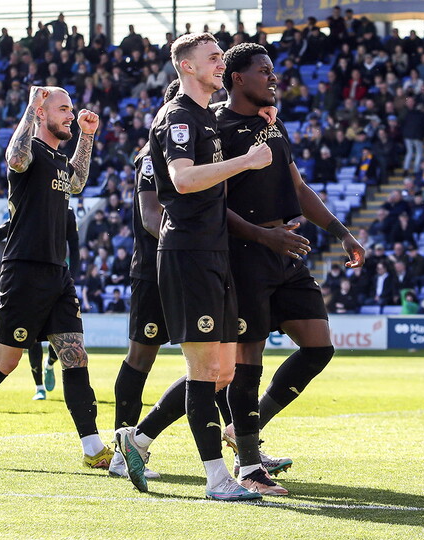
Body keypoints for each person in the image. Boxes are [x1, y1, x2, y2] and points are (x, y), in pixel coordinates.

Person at [112, 33, 272, 501]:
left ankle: (136, 439)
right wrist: (246, 162)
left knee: (221, 372)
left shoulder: (204, 116)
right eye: (213, 58)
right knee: (204, 371)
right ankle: (218, 480)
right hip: (188, 254)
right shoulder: (178, 116)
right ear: (186, 67)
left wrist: (262, 124)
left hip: (213, 252)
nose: (221, 64)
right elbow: (182, 179)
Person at [216, 42, 366, 494]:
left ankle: (243, 428)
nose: (273, 77)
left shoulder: (274, 126)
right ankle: (248, 468)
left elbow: (297, 185)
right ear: (237, 77)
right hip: (246, 254)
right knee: (248, 361)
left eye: (273, 70)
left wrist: (341, 231)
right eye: (264, 70)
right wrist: (264, 236)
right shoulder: (216, 128)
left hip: (287, 250)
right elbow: (210, 204)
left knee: (319, 348)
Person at [0, 86, 111, 470]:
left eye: (71, 108)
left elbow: (78, 182)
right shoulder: (29, 154)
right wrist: (31, 108)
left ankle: (93, 446)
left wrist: (87, 134)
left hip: (56, 273)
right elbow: (14, 157)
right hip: (24, 272)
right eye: (63, 109)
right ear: (42, 111)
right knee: (5, 362)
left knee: (75, 356)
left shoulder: (60, 159)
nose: (70, 113)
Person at [107, 80, 185, 479]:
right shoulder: (151, 156)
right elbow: (153, 218)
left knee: (217, 358)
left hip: (194, 266)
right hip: (155, 270)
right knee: (141, 357)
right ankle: (123, 449)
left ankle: (245, 449)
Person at [0, 195, 63, 401]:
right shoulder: (19, 218)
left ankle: (50, 363)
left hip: (54, 278)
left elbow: (73, 246)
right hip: (26, 284)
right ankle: (39, 387)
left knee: (60, 335)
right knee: (32, 339)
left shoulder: (60, 213)